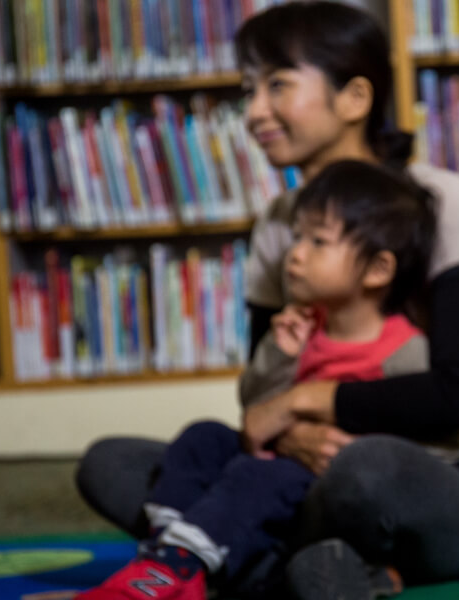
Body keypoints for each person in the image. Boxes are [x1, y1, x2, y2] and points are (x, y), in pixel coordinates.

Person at [75, 2, 459, 597]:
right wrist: (286, 430)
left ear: (354, 97)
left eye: (277, 85)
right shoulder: (277, 224)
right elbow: (263, 391)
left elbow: (456, 396)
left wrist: (304, 402)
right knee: (112, 462)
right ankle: (304, 568)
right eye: (248, 89)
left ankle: (233, 556)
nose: (253, 113)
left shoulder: (437, 199)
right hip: (298, 468)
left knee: (367, 472)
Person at [75, 160, 437, 600]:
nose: (295, 253)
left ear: (378, 269)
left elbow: (424, 445)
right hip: (268, 468)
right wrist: (278, 356)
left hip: (318, 494)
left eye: (318, 242)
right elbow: (253, 410)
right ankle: (170, 553)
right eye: (297, 237)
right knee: (204, 437)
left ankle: (186, 567)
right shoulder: (303, 326)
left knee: (260, 479)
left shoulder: (406, 348)